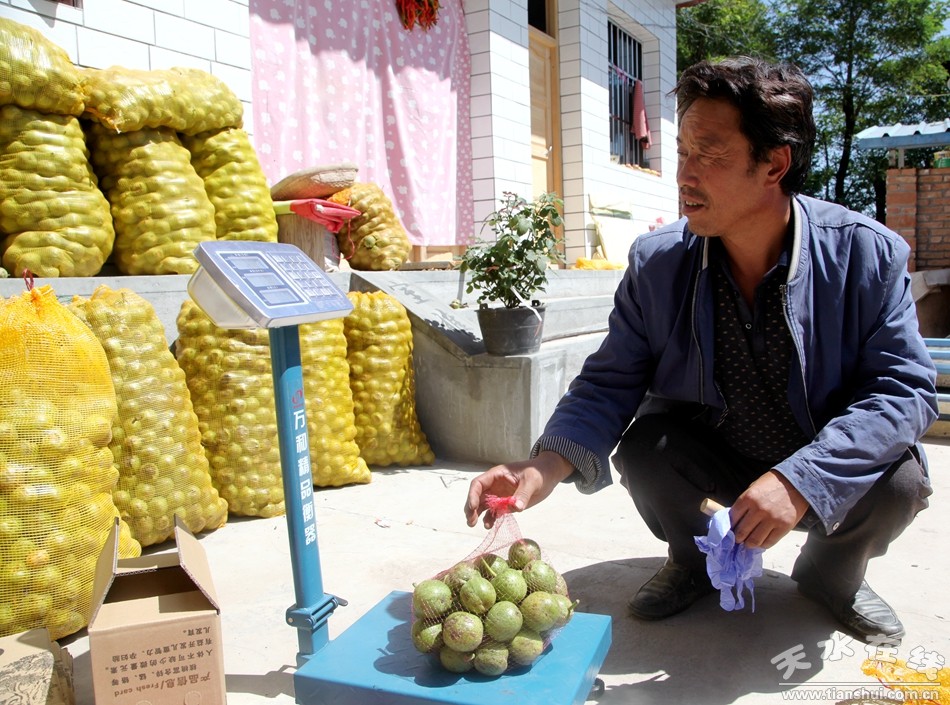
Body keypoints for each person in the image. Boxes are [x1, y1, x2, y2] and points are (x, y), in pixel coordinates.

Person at [464, 56, 936, 644]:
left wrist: (802, 480)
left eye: (709, 156)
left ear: (774, 164)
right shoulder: (658, 263)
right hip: (716, 454)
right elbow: (611, 380)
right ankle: (694, 561)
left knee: (898, 480)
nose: (684, 175)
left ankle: (832, 575)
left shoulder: (866, 256)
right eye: (683, 152)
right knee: (646, 449)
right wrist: (542, 466)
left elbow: (904, 391)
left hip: (816, 458)